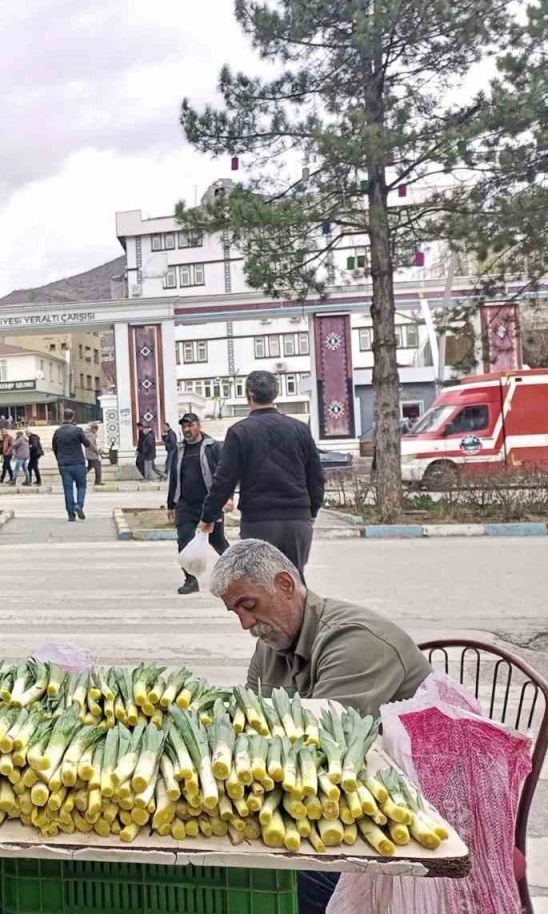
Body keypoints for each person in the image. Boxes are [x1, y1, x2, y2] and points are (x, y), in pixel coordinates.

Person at [209, 538, 432, 914]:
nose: (245, 623)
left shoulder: (355, 641)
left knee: (284, 871)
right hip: (334, 790)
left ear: (284, 584)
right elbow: (247, 722)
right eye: (236, 612)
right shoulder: (272, 641)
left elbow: (317, 745)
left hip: (406, 802)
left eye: (248, 606)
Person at [197, 370, 325, 580]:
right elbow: (316, 476)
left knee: (263, 586)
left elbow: (224, 480)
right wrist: (311, 511)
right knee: (294, 583)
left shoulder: (239, 432)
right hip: (297, 520)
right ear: (275, 394)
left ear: (249, 394)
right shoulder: (300, 429)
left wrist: (208, 517)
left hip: (259, 521)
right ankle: (302, 614)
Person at [166, 412, 230, 594]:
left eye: (190, 425)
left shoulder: (212, 448)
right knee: (184, 542)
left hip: (210, 505)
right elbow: (174, 478)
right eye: (184, 427)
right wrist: (171, 504)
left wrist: (227, 498)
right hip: (185, 505)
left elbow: (225, 475)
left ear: (199, 426)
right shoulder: (179, 451)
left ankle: (239, 574)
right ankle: (190, 580)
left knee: (218, 542)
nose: (187, 430)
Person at [51, 408, 94, 521]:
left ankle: (71, 515)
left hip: (64, 464)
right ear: (72, 417)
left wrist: (59, 460)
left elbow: (54, 448)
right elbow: (87, 444)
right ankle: (78, 505)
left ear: (63, 417)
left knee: (68, 489)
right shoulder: (77, 430)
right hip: (78, 463)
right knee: (81, 486)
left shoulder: (58, 432)